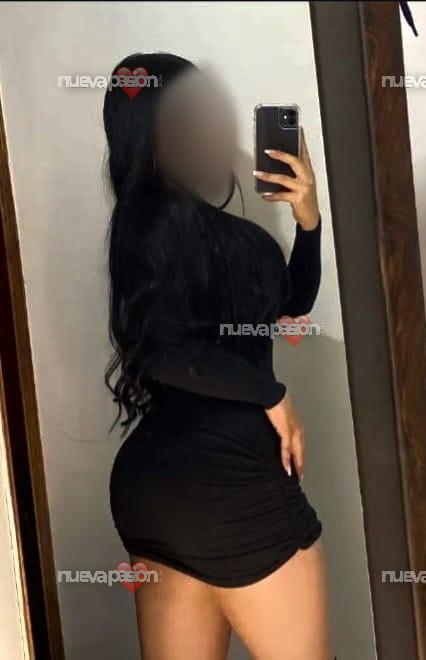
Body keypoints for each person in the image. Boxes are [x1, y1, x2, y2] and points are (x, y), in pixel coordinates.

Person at [105, 53, 332, 659]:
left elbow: (291, 302)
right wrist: (272, 395)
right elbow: (161, 349)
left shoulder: (177, 228)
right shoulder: (147, 222)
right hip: (228, 481)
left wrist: (308, 222)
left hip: (159, 493)